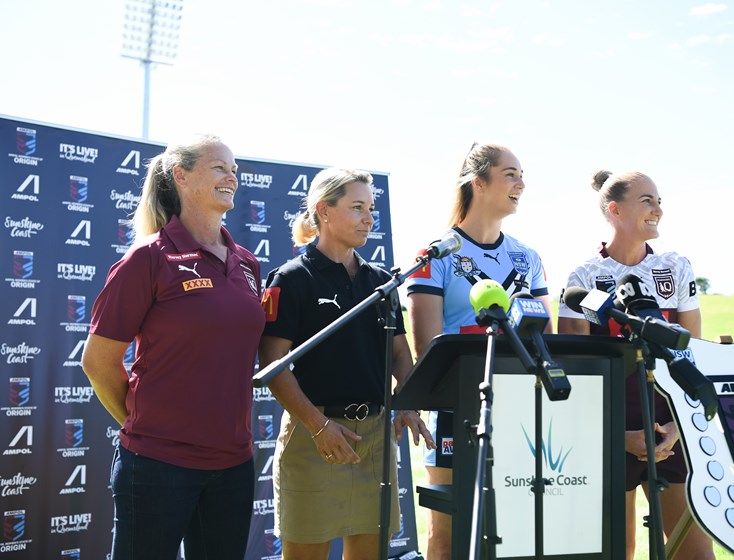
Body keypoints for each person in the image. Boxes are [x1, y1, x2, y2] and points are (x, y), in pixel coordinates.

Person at [81, 135, 264, 559]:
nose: (231, 176)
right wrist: (147, 423)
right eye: (219, 167)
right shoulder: (148, 257)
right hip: (157, 464)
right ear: (180, 176)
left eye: (234, 169)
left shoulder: (248, 263)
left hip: (233, 463)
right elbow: (98, 361)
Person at [259, 167, 434, 559]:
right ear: (324, 210)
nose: (369, 218)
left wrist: (406, 400)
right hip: (314, 436)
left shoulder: (380, 281)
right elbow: (273, 363)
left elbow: (399, 355)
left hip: (373, 438)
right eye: (357, 207)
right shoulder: (291, 278)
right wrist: (319, 427)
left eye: (371, 208)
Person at [556, 170, 715, 560]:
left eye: (659, 201)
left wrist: (677, 429)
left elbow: (692, 351)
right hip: (611, 427)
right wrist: (618, 435)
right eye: (648, 200)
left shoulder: (675, 266)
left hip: (669, 426)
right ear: (614, 210)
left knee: (695, 553)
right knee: (616, 551)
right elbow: (575, 372)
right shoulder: (583, 276)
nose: (658, 209)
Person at [405, 143, 551, 560]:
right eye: (510, 174)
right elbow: (429, 352)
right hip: (458, 411)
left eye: (522, 174)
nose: (521, 183)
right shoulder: (437, 254)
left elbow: (546, 343)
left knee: (515, 531)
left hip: (523, 412)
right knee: (448, 535)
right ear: (478, 182)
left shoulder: (528, 257)